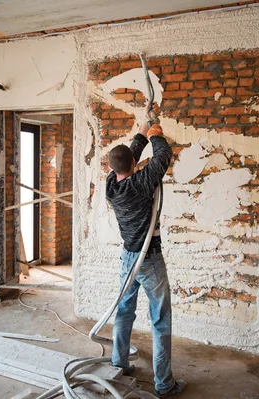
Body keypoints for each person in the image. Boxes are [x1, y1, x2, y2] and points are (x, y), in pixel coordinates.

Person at [105, 118, 186, 397]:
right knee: (160, 320)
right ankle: (164, 384)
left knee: (124, 312)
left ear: (111, 167)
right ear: (133, 164)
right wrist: (155, 134)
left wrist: (143, 127)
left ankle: (120, 365)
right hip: (149, 260)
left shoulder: (111, 185)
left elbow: (129, 157)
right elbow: (164, 156)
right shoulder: (141, 183)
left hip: (128, 258)